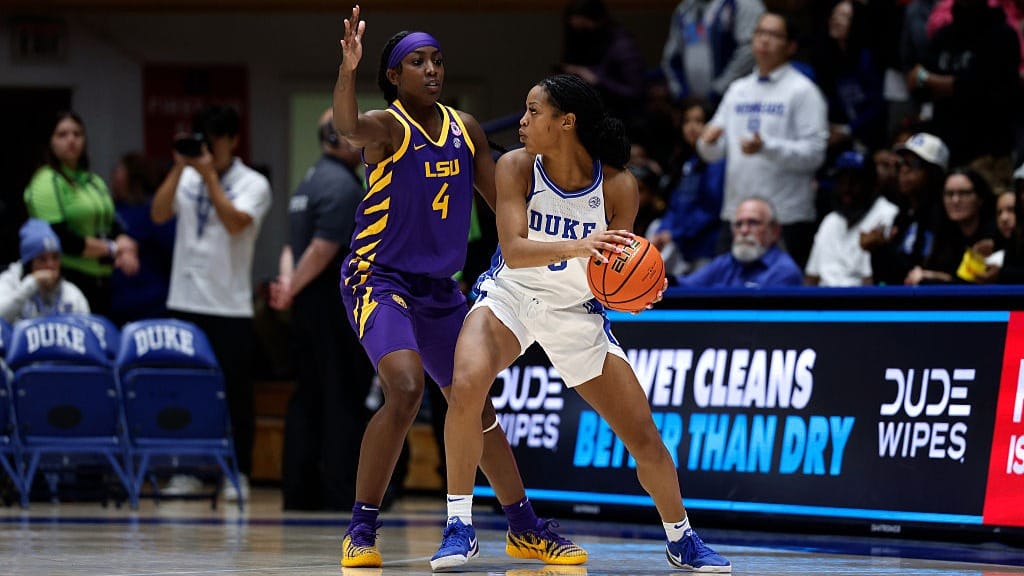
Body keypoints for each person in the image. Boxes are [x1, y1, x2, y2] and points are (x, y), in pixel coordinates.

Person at [431, 73, 731, 572]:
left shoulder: (617, 186)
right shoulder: (515, 167)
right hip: (512, 295)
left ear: (565, 122)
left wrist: (638, 293)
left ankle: (682, 538)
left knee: (645, 439)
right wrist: (579, 246)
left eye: (533, 112)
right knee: (465, 385)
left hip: (576, 314)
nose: (522, 122)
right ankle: (458, 525)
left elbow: (615, 271)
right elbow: (514, 249)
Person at [332, 7, 584, 568]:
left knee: (474, 402)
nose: (431, 69)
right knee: (403, 388)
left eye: (437, 61)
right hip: (379, 277)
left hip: (440, 288)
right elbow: (347, 127)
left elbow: (504, 208)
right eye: (416, 62)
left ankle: (523, 524)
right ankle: (361, 528)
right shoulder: (388, 126)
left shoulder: (465, 129)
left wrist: (555, 250)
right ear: (394, 76)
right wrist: (347, 71)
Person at [151, 104, 272, 502]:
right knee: (183, 392)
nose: (209, 147)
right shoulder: (186, 176)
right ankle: (186, 469)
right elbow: (158, 213)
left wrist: (207, 177)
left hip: (229, 305)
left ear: (233, 140)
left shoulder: (253, 182)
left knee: (235, 394)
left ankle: (238, 471)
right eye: (204, 138)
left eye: (217, 139)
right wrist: (179, 167)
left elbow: (237, 223)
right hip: (184, 300)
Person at [270, 109, 374, 511]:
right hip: (331, 305)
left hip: (305, 305)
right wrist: (292, 287)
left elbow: (290, 247)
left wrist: (286, 288)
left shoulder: (307, 181)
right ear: (338, 137)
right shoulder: (344, 186)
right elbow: (322, 248)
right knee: (341, 396)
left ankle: (298, 490)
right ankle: (338, 491)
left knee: (307, 396)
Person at [697, 10, 828, 270]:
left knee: (783, 301)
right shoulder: (738, 90)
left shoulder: (803, 91)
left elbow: (815, 154)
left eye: (773, 35)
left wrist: (766, 147)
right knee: (727, 298)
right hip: (737, 215)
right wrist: (707, 142)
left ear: (790, 46)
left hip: (785, 217)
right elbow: (713, 153)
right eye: (760, 33)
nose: (764, 40)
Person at [24, 111, 139, 316]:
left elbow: (113, 224)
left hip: (104, 279)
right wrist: (113, 248)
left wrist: (126, 247)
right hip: (68, 280)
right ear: (50, 142)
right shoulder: (45, 181)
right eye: (62, 134)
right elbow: (61, 239)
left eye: (77, 134)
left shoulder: (93, 180)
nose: (71, 140)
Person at [805, 151, 899, 286]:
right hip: (822, 302)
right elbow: (811, 278)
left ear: (872, 184)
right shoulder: (830, 221)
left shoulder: (887, 215)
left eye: (854, 182)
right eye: (841, 182)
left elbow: (872, 283)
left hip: (859, 302)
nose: (846, 189)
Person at [109, 153, 176, 327]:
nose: (113, 175)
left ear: (133, 175)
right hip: (115, 301)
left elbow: (172, 251)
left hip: (152, 302)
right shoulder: (109, 209)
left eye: (119, 170)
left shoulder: (154, 210)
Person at [677, 196, 803, 288]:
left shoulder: (784, 271)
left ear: (774, 231)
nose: (744, 230)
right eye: (738, 224)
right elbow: (684, 286)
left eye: (753, 223)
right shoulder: (725, 262)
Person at [661, 0, 765, 104]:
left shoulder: (745, 4)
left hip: (736, 99)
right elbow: (671, 58)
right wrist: (681, 92)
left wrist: (718, 90)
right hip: (691, 103)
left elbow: (749, 51)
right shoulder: (685, 8)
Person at [558, 0, 647, 121]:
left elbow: (636, 93)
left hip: (621, 119)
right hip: (590, 113)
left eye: (584, 26)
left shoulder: (622, 46)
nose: (579, 34)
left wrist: (596, 80)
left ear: (598, 21)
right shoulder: (585, 44)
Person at [0, 218, 90, 323]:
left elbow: (86, 330)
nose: (50, 265)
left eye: (55, 257)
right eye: (42, 259)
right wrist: (30, 285)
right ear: (29, 264)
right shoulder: (9, 282)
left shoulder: (71, 293)